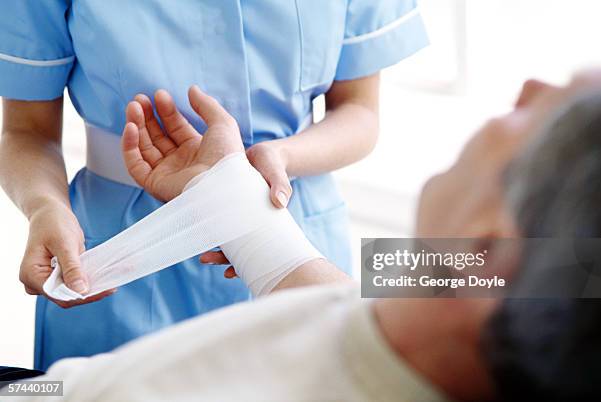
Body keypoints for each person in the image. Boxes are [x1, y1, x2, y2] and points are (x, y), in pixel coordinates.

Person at [8, 69, 601, 401]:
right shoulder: (446, 305)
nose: (530, 85)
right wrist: (229, 196)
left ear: (489, 244)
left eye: (548, 114)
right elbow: (564, 276)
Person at [0, 1, 429, 370]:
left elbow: (360, 112)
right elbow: (25, 130)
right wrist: (44, 206)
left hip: (289, 220)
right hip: (120, 254)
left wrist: (276, 160)